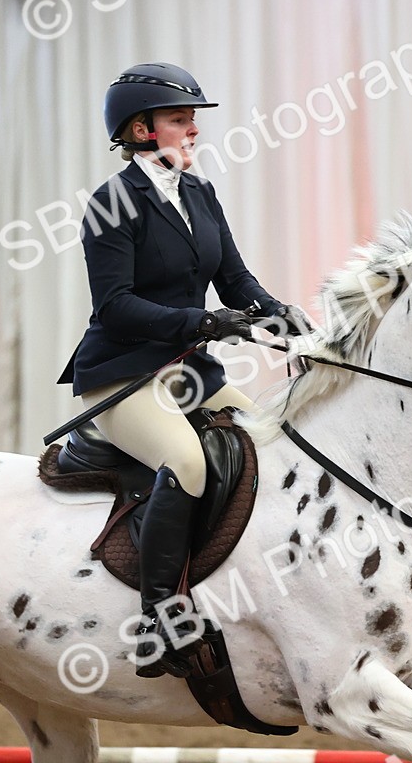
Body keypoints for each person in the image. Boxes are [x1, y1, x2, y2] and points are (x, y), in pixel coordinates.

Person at [58, 62, 311, 679]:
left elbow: (236, 280)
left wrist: (286, 321)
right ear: (141, 129)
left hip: (186, 369)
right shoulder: (111, 203)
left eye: (193, 119)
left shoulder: (199, 193)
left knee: (274, 441)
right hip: (121, 372)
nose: (193, 130)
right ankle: (161, 616)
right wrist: (201, 324)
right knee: (189, 462)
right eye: (180, 119)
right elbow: (115, 305)